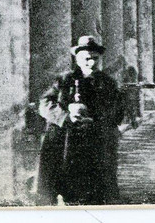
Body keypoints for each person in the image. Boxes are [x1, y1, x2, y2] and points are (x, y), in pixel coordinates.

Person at [36, 35, 123, 205]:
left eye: (94, 59)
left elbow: (118, 110)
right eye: (86, 59)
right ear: (77, 59)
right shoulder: (64, 80)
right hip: (64, 142)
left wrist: (96, 119)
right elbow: (45, 103)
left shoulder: (107, 83)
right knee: (64, 184)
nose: (91, 63)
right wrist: (66, 115)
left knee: (96, 189)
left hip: (95, 141)